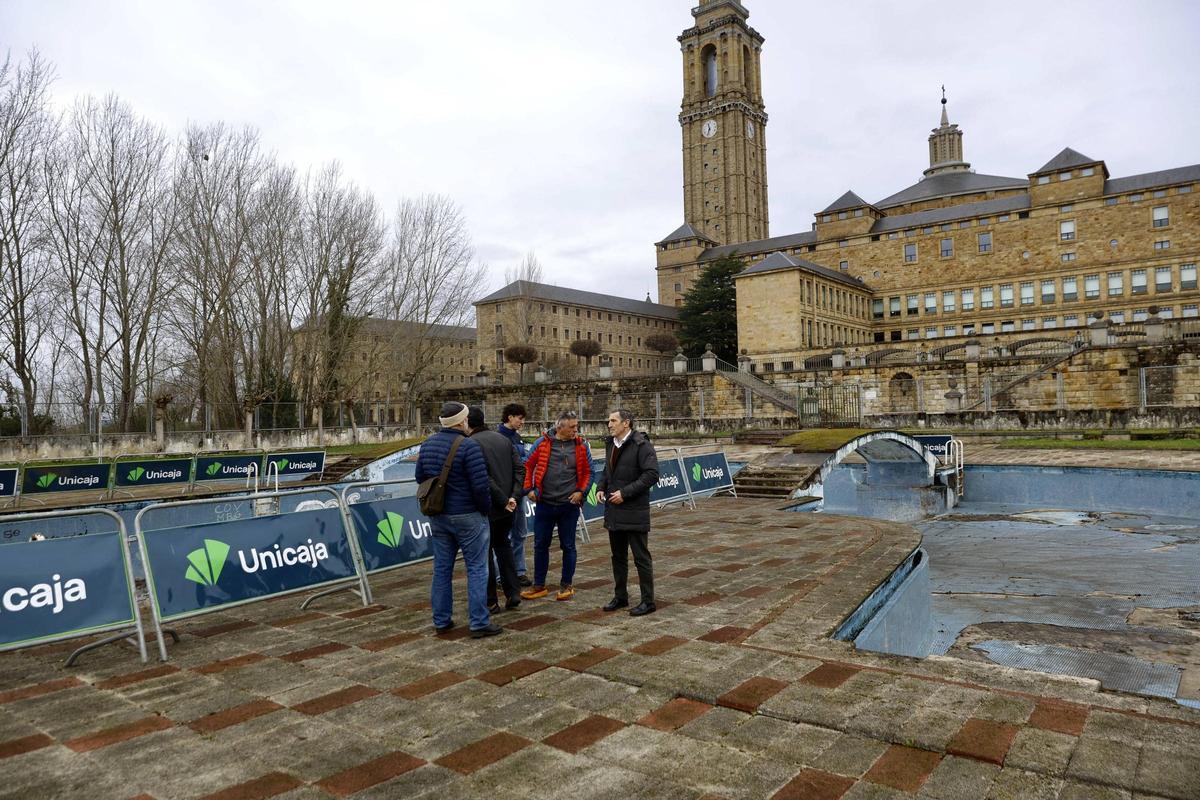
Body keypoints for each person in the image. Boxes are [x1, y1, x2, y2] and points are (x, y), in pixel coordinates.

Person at [414, 402, 502, 638]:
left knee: (442, 569)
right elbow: (480, 486)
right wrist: (485, 510)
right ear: (462, 421)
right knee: (477, 568)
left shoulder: (428, 444)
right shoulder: (469, 446)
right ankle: (479, 622)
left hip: (439, 515)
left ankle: (441, 620)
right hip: (468, 515)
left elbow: (420, 477)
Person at [520, 409, 593, 602]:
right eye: (572, 427)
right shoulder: (542, 443)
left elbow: (588, 472)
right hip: (544, 504)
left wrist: (581, 492)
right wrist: (529, 489)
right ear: (559, 427)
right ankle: (538, 585)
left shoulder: (581, 446)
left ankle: (566, 585)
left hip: (569, 505)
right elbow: (527, 465)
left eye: (576, 426)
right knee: (540, 545)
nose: (575, 430)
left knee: (568, 545)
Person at [596, 409, 660, 616]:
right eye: (609, 421)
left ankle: (648, 601)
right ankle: (620, 596)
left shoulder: (642, 445)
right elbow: (608, 470)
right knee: (618, 557)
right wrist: (600, 487)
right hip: (614, 511)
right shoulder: (610, 443)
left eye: (613, 420)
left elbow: (651, 474)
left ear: (627, 423)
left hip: (634, 510)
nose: (609, 424)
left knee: (641, 557)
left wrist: (625, 493)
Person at [466, 406, 524, 614]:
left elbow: (483, 476)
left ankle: (491, 599)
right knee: (504, 547)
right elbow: (520, 469)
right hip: (508, 506)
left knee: (485, 554)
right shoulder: (504, 440)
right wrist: (514, 496)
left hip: (489, 507)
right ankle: (513, 591)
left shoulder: (471, 443)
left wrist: (504, 499)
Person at [496, 402, 532, 587]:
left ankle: (518, 571)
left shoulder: (516, 438)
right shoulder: (498, 437)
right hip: (506, 494)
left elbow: (521, 461)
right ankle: (501, 575)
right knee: (504, 537)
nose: (522, 422)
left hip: (519, 492)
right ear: (510, 417)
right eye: (520, 418)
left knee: (520, 533)